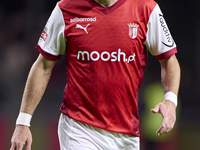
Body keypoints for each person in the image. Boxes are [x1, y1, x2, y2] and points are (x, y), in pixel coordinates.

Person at [10, 0, 181, 149]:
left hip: (126, 134)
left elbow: (169, 60)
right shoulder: (66, 9)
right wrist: (23, 121)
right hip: (78, 127)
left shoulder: (146, 9)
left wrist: (170, 100)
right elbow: (43, 65)